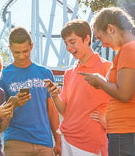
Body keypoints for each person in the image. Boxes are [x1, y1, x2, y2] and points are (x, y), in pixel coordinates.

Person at [80, 7, 135, 155]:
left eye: (101, 38)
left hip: (127, 135)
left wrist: (100, 81)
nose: (103, 45)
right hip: (131, 134)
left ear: (110, 29)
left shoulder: (129, 50)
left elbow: (125, 94)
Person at [46, 19, 111, 156]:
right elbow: (65, 111)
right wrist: (54, 96)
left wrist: (108, 122)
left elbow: (122, 102)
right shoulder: (69, 73)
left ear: (87, 38)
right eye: (66, 43)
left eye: (72, 42)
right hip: (67, 139)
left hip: (91, 143)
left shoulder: (107, 68)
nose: (69, 48)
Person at [0, 27, 61, 156]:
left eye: (25, 51)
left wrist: (58, 140)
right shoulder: (3, 75)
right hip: (16, 141)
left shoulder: (45, 73)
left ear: (31, 47)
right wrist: (13, 103)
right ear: (10, 49)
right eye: (16, 52)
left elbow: (52, 110)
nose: (21, 56)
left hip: (44, 142)